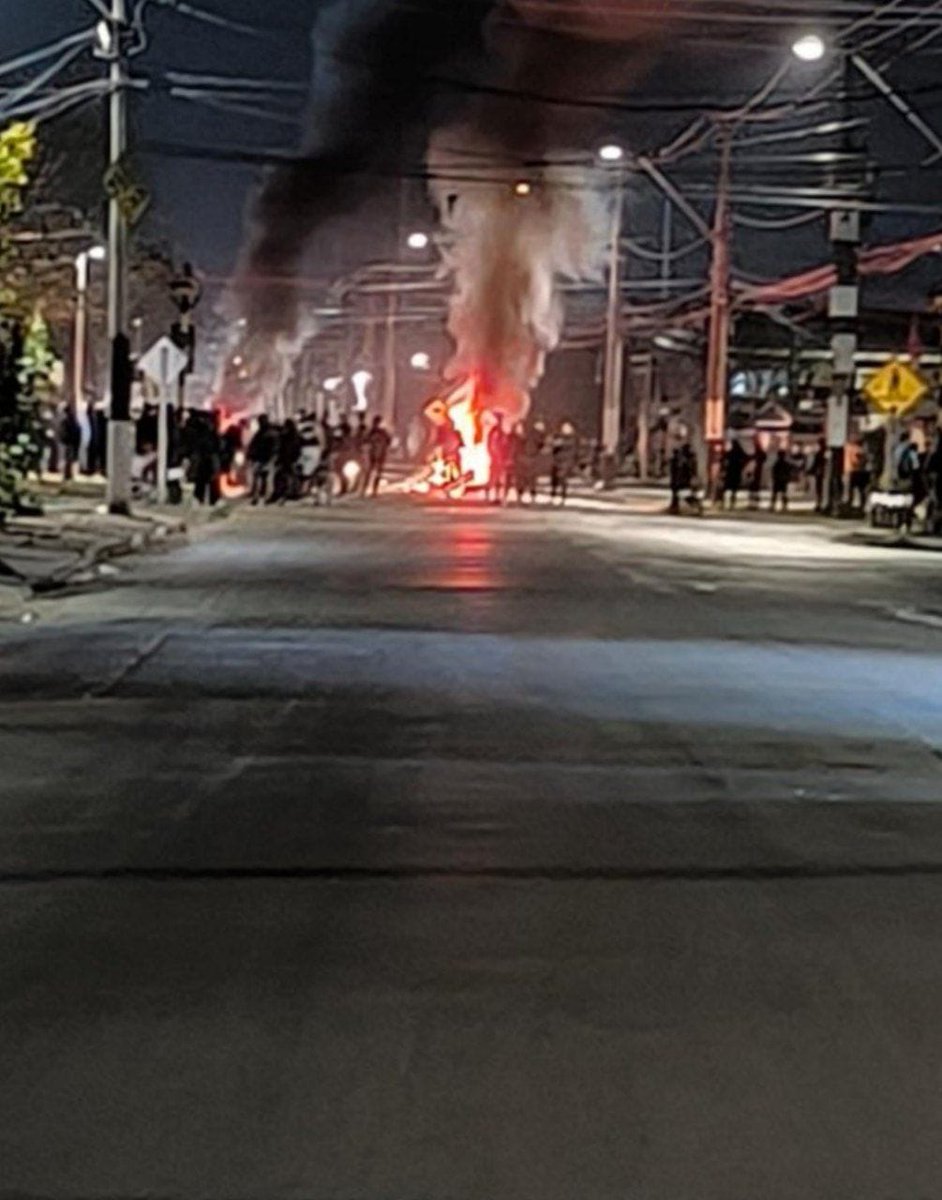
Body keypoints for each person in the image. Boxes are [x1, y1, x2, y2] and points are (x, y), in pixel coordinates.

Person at [247, 413, 277, 505]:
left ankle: (259, 497)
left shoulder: (265, 432)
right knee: (262, 478)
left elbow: (254, 445)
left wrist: (251, 455)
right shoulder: (266, 431)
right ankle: (260, 497)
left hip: (263, 458)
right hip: (263, 458)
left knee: (260, 478)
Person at [271, 417, 302, 503]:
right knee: (291, 476)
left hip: (287, 458)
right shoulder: (295, 434)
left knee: (282, 476)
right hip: (292, 458)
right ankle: (293, 492)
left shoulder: (288, 435)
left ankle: (285, 492)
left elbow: (285, 447)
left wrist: (280, 459)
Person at [550, 421, 577, 505]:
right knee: (554, 479)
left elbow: (572, 449)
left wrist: (560, 443)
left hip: (566, 461)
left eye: (567, 427)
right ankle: (553, 496)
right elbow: (554, 447)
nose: (565, 429)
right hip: (557, 460)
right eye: (564, 427)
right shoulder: (558, 437)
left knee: (562, 479)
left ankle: (563, 497)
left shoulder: (572, 438)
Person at [365, 415, 392, 497]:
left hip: (378, 454)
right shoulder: (373, 432)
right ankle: (368, 489)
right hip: (374, 454)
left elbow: (388, 441)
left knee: (374, 472)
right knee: (372, 471)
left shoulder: (380, 432)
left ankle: (372, 490)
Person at [487, 414, 510, 504]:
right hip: (495, 458)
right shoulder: (493, 432)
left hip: (502, 459)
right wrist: (492, 455)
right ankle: (493, 497)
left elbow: (506, 446)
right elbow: (490, 444)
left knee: (502, 479)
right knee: (494, 478)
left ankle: (502, 497)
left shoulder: (503, 433)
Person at [721, 437, 748, 509]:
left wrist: (724, 467)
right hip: (736, 471)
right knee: (733, 490)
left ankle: (724, 503)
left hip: (731, 471)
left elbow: (723, 458)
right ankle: (731, 504)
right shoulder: (739, 452)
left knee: (726, 488)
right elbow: (747, 458)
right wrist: (742, 466)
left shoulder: (731, 453)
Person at [58, 402, 81, 482]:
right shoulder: (72, 418)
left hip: (66, 441)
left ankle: (66, 475)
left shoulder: (64, 419)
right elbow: (77, 430)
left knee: (65, 459)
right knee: (69, 459)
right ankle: (68, 475)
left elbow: (62, 431)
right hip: (70, 442)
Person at [770, 448, 790, 512]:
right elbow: (788, 472)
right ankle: (784, 506)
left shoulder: (777, 463)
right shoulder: (785, 464)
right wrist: (787, 478)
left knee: (775, 494)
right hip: (783, 480)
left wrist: (774, 478)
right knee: (783, 494)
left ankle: (773, 506)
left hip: (778, 480)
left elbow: (773, 472)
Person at [811, 437, 827, 511]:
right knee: (821, 490)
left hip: (820, 473)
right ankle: (821, 504)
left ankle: (819, 504)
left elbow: (815, 464)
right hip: (824, 473)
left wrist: (811, 470)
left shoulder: (819, 453)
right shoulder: (826, 452)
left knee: (819, 490)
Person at [749, 441, 767, 508]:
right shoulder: (759, 454)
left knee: (753, 487)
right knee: (755, 487)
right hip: (757, 472)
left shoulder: (754, 454)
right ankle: (754, 501)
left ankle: (753, 501)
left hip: (756, 471)